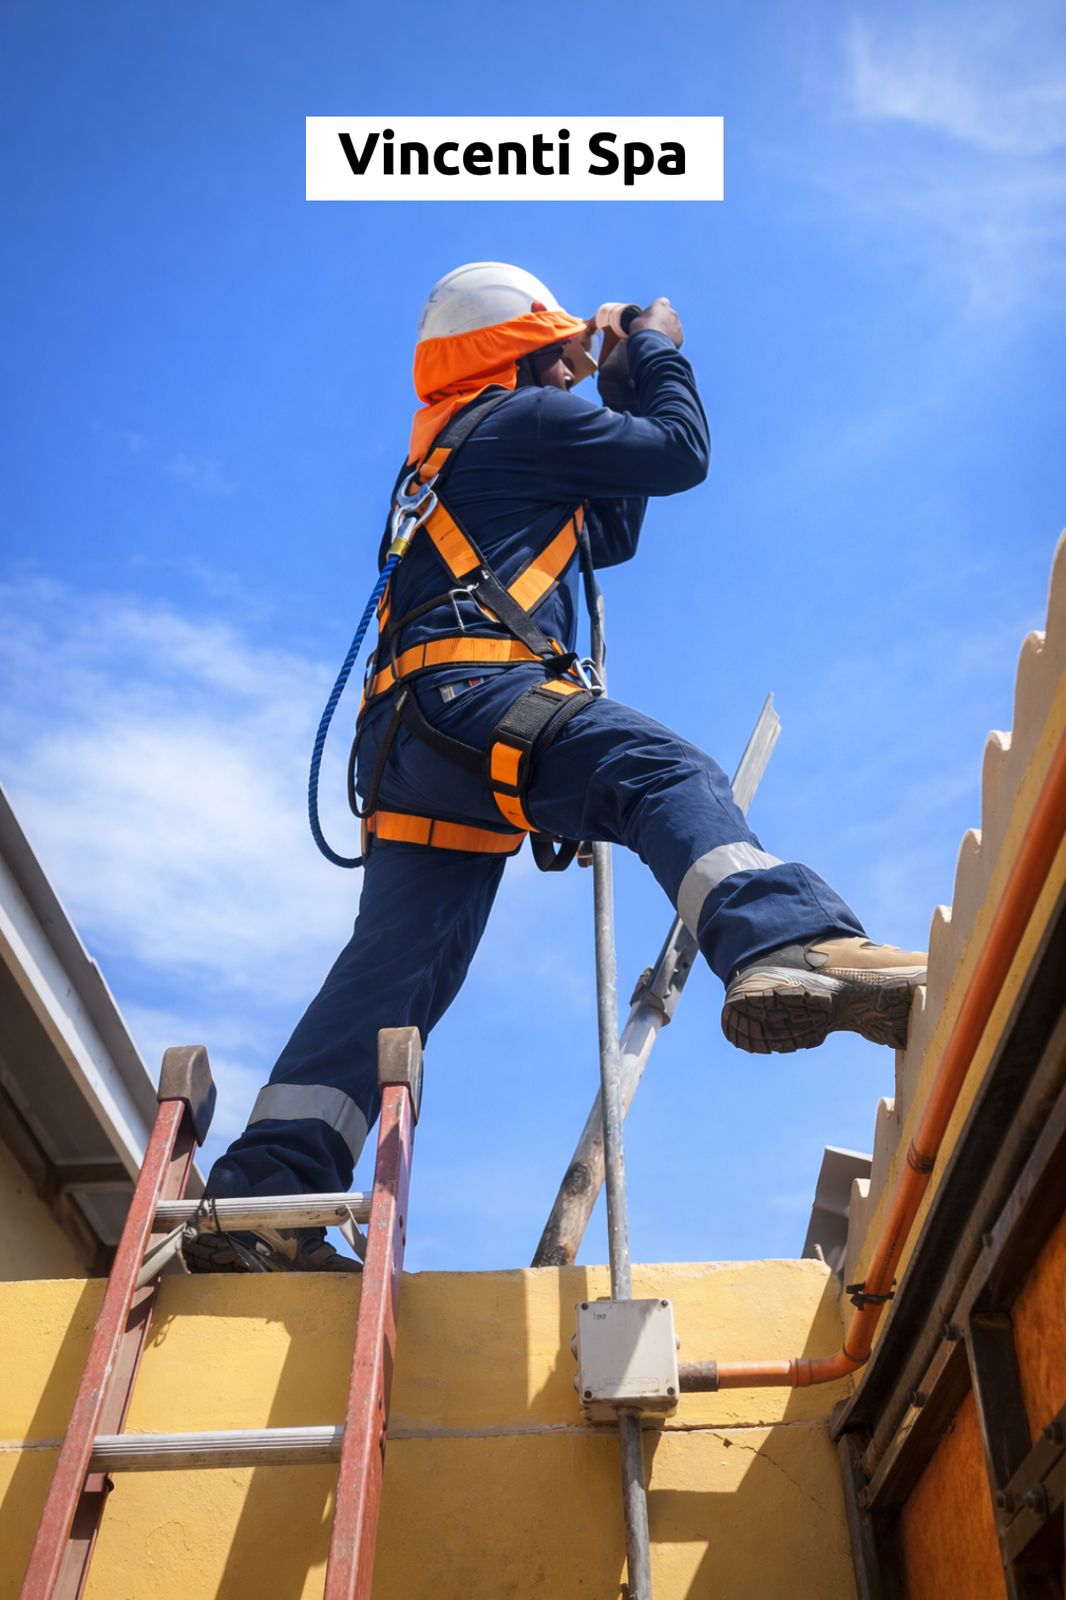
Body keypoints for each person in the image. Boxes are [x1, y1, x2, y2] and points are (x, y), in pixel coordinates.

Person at [186, 263, 926, 1275]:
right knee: (656, 771)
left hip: (412, 741)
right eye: (562, 358)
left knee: (390, 977)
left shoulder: (464, 449)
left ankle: (265, 1199)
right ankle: (787, 945)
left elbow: (609, 522)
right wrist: (658, 348)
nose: (576, 376)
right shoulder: (513, 425)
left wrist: (613, 378)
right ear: (516, 349)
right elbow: (677, 453)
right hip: (470, 695)